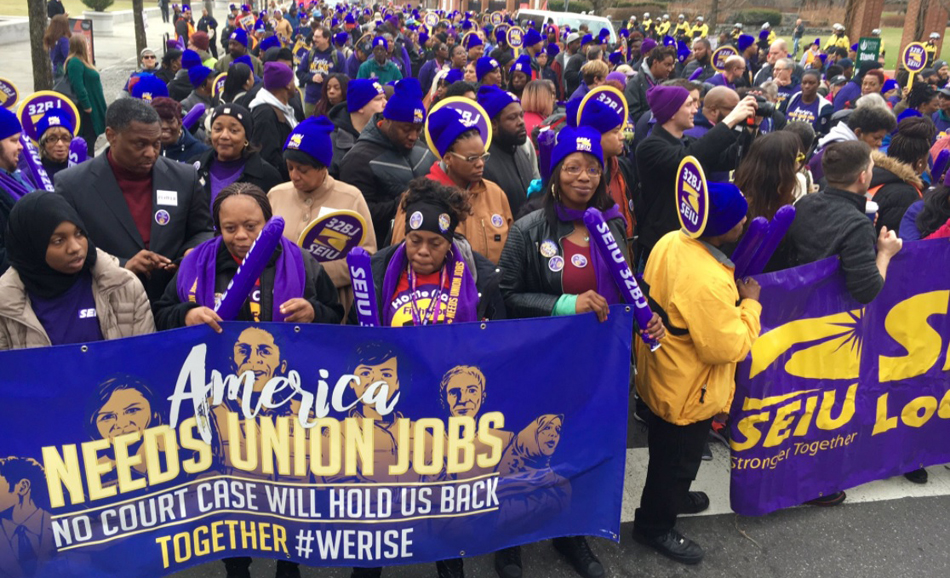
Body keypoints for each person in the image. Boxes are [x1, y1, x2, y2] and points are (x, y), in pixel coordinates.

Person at [498, 125, 664, 578]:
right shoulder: (529, 228)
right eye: (573, 167)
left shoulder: (610, 224)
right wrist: (563, 304)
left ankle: (570, 535)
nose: (585, 177)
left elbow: (628, 284)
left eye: (593, 168)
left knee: (575, 449)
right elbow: (506, 294)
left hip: (593, 367)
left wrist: (651, 312)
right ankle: (510, 541)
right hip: (539, 364)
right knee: (523, 449)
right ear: (555, 175)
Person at [632, 180, 760, 566]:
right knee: (677, 460)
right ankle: (655, 525)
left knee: (665, 453)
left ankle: (671, 495)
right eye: (740, 221)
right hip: (690, 389)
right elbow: (728, 346)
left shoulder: (673, 239)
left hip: (664, 374)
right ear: (721, 229)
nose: (744, 226)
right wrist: (750, 306)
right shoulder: (707, 278)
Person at [54, 99, 214, 302]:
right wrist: (121, 265)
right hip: (110, 303)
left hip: (174, 301)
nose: (150, 153)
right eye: (140, 144)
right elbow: (65, 248)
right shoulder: (72, 185)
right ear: (111, 136)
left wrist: (190, 255)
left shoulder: (184, 177)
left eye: (156, 143)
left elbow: (203, 231)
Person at [154, 180, 342, 332]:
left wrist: (313, 313)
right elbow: (161, 314)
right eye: (230, 228)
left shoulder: (301, 261)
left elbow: (335, 313)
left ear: (267, 223)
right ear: (219, 229)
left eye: (251, 226)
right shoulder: (195, 263)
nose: (241, 235)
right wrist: (187, 315)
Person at [0, 191, 155, 350]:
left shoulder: (124, 286)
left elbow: (145, 358)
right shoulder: (5, 303)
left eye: (79, 233)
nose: (75, 247)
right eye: (58, 241)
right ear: (31, 247)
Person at [635, 85, 758, 265]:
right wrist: (730, 119)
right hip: (662, 243)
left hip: (692, 239)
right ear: (671, 112)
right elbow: (686, 161)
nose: (696, 110)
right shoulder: (649, 147)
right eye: (689, 105)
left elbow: (729, 159)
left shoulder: (688, 142)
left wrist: (747, 128)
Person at [268, 116, 378, 311]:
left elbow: (367, 256)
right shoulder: (276, 195)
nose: (294, 175)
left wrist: (314, 276)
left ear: (323, 167)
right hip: (284, 305)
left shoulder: (350, 198)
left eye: (302, 170)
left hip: (334, 306)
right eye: (290, 167)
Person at [787, 140, 903, 308]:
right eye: (871, 168)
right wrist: (885, 253)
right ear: (862, 177)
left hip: (792, 303)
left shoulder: (805, 202)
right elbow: (867, 292)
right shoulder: (858, 225)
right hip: (824, 315)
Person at [390, 106, 512, 263]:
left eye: (483, 156)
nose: (480, 164)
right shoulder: (418, 198)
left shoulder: (495, 193)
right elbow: (401, 256)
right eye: (472, 158)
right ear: (448, 158)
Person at [338, 78, 435, 243]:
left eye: (418, 130)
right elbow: (358, 214)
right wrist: (403, 202)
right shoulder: (357, 160)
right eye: (406, 129)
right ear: (387, 121)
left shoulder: (422, 149)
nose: (413, 136)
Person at [733, 131, 803, 271]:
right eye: (799, 157)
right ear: (783, 168)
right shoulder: (742, 212)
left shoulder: (774, 201)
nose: (801, 163)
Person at [195, 103, 281, 216]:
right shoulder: (195, 168)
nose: (224, 135)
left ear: (246, 138)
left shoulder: (266, 175)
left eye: (234, 130)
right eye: (218, 129)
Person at [477, 86, 539, 218]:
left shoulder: (520, 150)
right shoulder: (483, 164)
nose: (521, 122)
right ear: (493, 124)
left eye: (521, 115)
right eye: (512, 118)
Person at [868, 117, 933, 234]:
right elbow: (895, 239)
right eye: (926, 161)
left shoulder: (871, 173)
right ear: (920, 164)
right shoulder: (906, 195)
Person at [808, 105, 896, 182]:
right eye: (876, 138)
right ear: (858, 132)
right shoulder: (839, 155)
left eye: (882, 139)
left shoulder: (840, 147)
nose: (880, 143)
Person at [249, 62, 298, 181]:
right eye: (292, 80)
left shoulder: (283, 108)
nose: (295, 84)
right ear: (287, 84)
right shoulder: (265, 114)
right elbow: (267, 156)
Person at [327, 78, 387, 178]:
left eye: (384, 98)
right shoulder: (332, 142)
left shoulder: (386, 134)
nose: (386, 103)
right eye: (378, 99)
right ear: (360, 107)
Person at [64, 36, 106, 158]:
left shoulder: (82, 62)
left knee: (91, 141)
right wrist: (87, 105)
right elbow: (78, 86)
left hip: (93, 106)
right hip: (86, 111)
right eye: (86, 43)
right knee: (87, 141)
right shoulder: (75, 62)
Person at [297, 27, 344, 117]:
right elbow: (299, 73)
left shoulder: (337, 56)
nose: (314, 39)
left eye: (318, 37)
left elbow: (344, 77)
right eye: (314, 36)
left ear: (326, 39)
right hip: (311, 101)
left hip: (331, 102)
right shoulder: (309, 54)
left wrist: (327, 80)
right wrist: (312, 78)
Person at [152, 97, 209, 164]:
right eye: (159, 121)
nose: (164, 126)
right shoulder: (145, 151)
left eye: (170, 121)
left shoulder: (201, 152)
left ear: (179, 123)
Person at [625, 46, 675, 122]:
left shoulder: (663, 81)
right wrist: (658, 113)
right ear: (655, 62)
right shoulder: (635, 83)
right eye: (667, 65)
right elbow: (632, 115)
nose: (670, 69)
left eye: (672, 65)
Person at [784, 70, 833, 135]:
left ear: (818, 84)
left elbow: (823, 132)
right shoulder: (791, 99)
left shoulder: (825, 106)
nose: (807, 86)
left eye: (811, 83)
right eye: (804, 83)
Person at [34, 109, 75, 181]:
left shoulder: (86, 166)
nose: (60, 144)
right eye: (52, 139)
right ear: (42, 143)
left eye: (65, 138)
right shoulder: (34, 175)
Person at [43, 14, 71, 82]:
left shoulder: (52, 39)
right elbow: (68, 56)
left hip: (56, 69)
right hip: (63, 71)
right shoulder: (63, 40)